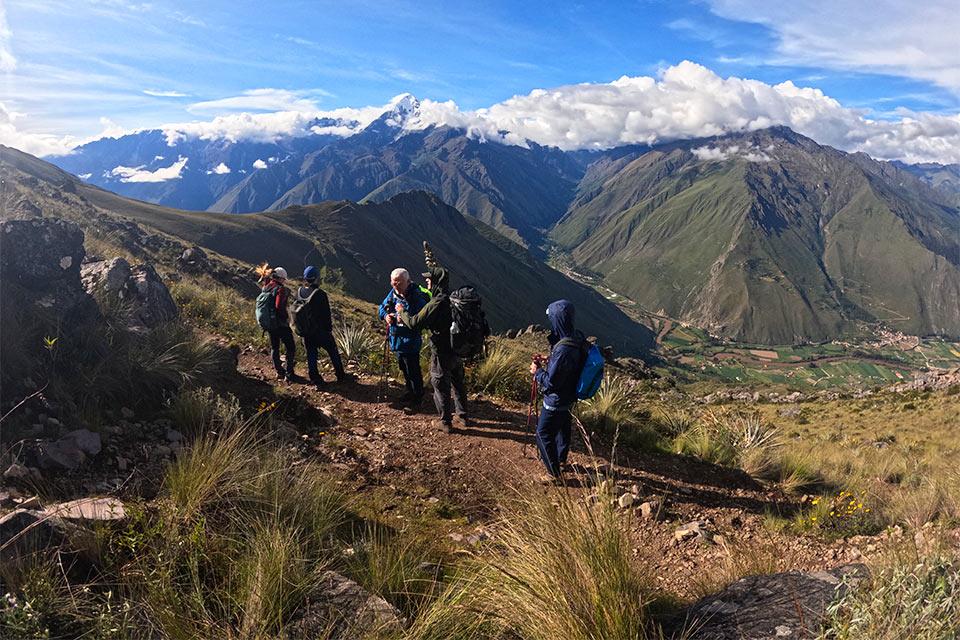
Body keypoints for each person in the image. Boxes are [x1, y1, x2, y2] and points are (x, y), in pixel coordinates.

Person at [396, 261, 468, 432]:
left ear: (436, 281)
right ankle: (464, 416)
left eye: (430, 280)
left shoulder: (436, 302)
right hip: (457, 347)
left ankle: (445, 422)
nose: (427, 282)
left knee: (440, 383)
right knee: (458, 382)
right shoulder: (453, 297)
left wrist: (401, 312)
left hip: (441, 349)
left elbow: (414, 323)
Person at [530, 300, 587, 480]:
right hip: (570, 396)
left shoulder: (563, 350)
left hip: (556, 399)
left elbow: (551, 383)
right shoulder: (576, 337)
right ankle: (560, 459)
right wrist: (551, 358)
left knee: (543, 433)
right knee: (563, 427)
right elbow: (569, 364)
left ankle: (554, 473)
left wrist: (537, 372)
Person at [378, 268, 429, 412]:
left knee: (413, 370)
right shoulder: (392, 294)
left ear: (408, 281)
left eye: (399, 283)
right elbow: (382, 307)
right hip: (397, 340)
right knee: (404, 368)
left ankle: (417, 398)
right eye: (394, 283)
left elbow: (418, 321)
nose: (396, 287)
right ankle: (410, 391)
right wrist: (385, 316)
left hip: (410, 342)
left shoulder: (416, 298)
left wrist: (402, 313)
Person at [295, 266, 352, 385]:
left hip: (306, 331)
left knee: (311, 353)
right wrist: (328, 330)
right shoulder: (320, 294)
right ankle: (341, 375)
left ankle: (315, 378)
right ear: (316, 278)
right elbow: (326, 314)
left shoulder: (299, 292)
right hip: (320, 331)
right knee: (333, 351)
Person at [261, 267, 302, 382]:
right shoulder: (280, 289)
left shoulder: (266, 286)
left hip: (270, 323)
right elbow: (279, 306)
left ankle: (279, 371)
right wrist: (286, 318)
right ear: (280, 278)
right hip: (280, 324)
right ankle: (289, 374)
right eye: (284, 279)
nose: (284, 281)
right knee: (290, 347)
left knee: (275, 347)